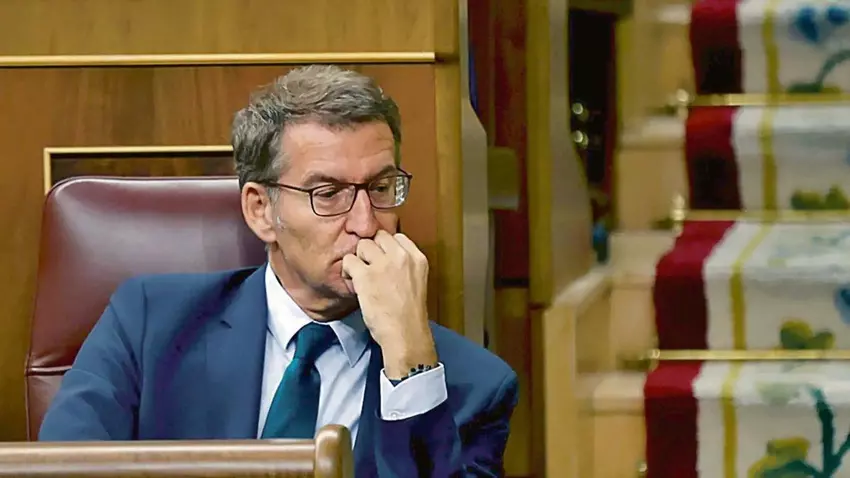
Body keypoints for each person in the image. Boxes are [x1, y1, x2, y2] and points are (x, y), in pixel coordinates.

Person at [38, 65, 519, 476]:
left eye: (380, 188)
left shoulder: (473, 388)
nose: (366, 223)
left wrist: (410, 362)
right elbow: (62, 468)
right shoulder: (149, 324)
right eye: (327, 194)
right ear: (261, 211)